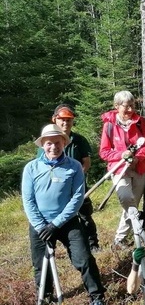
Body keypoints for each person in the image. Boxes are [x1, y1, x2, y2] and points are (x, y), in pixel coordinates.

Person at [22, 124, 105, 305]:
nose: (53, 147)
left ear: (63, 143)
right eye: (49, 143)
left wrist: (56, 224)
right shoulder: (31, 168)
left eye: (57, 142)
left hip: (67, 222)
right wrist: (42, 226)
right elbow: (28, 200)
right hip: (39, 225)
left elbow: (77, 199)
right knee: (40, 265)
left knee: (83, 259)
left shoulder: (74, 166)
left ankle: (97, 297)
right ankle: (45, 297)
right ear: (43, 144)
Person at [39, 104, 100, 252]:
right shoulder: (47, 140)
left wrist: (76, 178)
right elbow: (41, 165)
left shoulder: (79, 140)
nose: (65, 123)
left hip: (78, 186)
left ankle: (93, 244)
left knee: (85, 216)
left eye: (69, 120)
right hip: (57, 189)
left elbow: (86, 162)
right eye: (62, 120)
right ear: (55, 120)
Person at [99, 91, 145, 249]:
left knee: (133, 203)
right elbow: (104, 152)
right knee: (127, 200)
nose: (129, 110)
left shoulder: (140, 122)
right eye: (125, 106)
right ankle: (138, 229)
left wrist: (138, 158)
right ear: (116, 106)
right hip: (119, 169)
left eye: (132, 106)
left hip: (140, 169)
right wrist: (121, 155)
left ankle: (120, 239)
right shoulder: (109, 125)